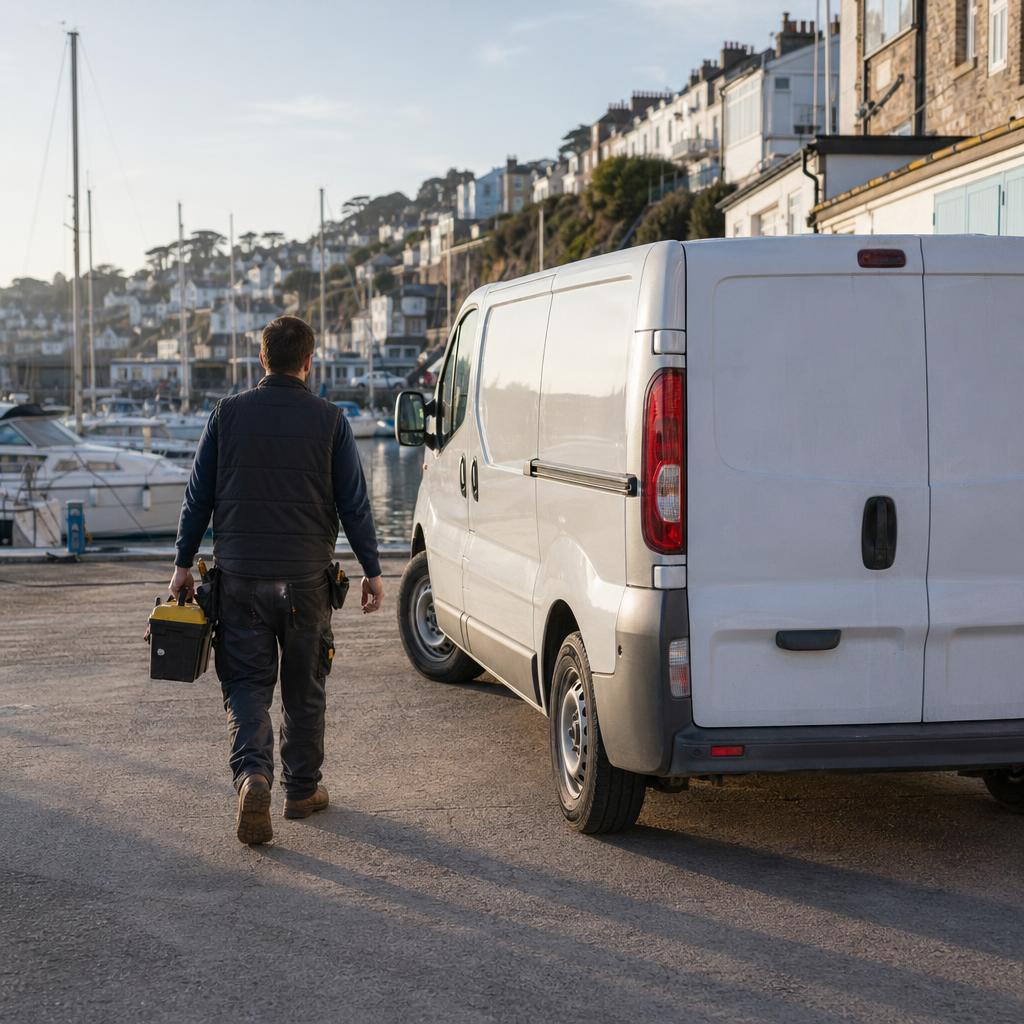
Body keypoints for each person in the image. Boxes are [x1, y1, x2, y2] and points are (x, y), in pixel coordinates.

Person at [169, 315, 384, 846]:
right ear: (309, 362)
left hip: (239, 579)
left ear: (262, 360)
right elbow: (353, 504)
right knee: (305, 688)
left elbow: (198, 497)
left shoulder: (226, 415)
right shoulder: (331, 421)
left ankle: (253, 778)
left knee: (245, 686)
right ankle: (302, 791)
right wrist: (373, 571)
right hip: (307, 582)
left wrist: (181, 565)